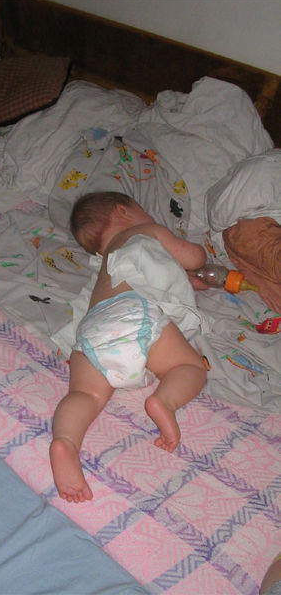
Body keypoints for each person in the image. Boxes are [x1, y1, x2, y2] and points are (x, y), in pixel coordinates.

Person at [50, 191, 207, 503]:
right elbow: (192, 258)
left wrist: (182, 278)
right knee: (190, 367)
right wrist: (195, 257)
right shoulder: (145, 230)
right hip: (134, 314)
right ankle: (164, 401)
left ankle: (65, 440)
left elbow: (148, 273)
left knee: (86, 395)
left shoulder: (104, 264)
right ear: (124, 212)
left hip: (93, 329)